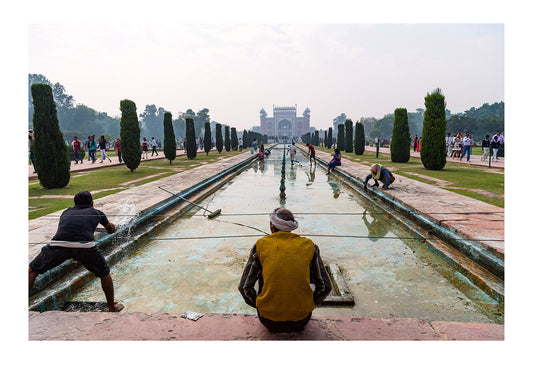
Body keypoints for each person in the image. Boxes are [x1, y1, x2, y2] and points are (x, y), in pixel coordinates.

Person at [238, 207, 331, 333]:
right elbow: (325, 286)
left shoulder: (260, 245)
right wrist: (309, 304)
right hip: (301, 319)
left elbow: (244, 287)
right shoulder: (309, 245)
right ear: (291, 228)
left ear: (272, 226)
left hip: (268, 320)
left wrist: (261, 305)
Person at [28, 191, 123, 312]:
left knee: (32, 270)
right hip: (85, 246)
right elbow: (110, 229)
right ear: (92, 203)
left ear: (74, 203)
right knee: (104, 274)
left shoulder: (66, 212)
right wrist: (112, 227)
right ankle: (112, 307)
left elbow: (68, 231)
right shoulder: (96, 212)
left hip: (59, 245)